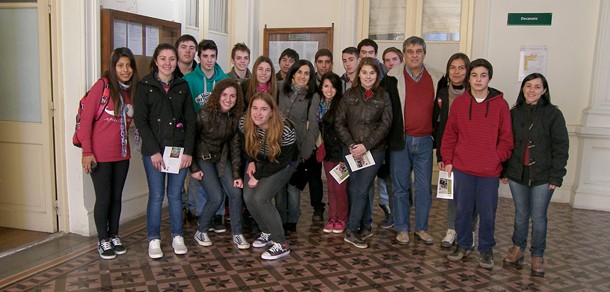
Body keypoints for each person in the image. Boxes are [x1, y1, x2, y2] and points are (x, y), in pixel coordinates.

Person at [441, 58, 513, 269]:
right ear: (469, 78)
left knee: (487, 212)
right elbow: (449, 135)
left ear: (489, 78)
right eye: (474, 75)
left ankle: (486, 249)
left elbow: (507, 139)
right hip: (463, 168)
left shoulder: (500, 105)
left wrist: (495, 157)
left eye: (483, 75)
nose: (478, 79)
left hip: (489, 171)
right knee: (462, 210)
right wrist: (448, 159)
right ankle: (463, 245)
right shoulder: (460, 104)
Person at [501, 73, 569, 277]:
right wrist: (503, 170)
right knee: (521, 214)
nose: (532, 90)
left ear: (544, 91)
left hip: (543, 175)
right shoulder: (513, 113)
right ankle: (517, 249)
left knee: (539, 217)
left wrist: (556, 176)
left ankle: (537, 255)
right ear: (522, 89)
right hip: (516, 173)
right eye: (528, 86)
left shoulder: (553, 114)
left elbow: (561, 146)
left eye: (537, 87)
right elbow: (505, 142)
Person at [134, 43, 196, 259]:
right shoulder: (145, 85)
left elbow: (191, 121)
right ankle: (154, 239)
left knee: (175, 195)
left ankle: (177, 235)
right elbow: (141, 121)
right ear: (156, 60)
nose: (167, 63)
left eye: (171, 59)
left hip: (177, 151)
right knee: (157, 195)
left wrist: (188, 151)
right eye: (163, 58)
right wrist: (153, 151)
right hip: (155, 152)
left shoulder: (182, 86)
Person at [382, 36, 443, 246]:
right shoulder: (392, 77)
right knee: (400, 187)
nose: (414, 55)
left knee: (424, 187)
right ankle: (401, 228)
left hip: (426, 140)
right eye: (410, 51)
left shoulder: (438, 77)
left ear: (424, 54)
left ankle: (422, 228)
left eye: (418, 51)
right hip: (401, 141)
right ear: (404, 55)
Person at [81, 47, 138, 260]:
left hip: (122, 154)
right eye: (120, 65)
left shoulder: (131, 90)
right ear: (113, 68)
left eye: (128, 65)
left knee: (116, 197)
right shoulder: (101, 87)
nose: (125, 70)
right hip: (100, 156)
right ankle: (102, 239)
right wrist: (87, 152)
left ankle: (114, 235)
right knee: (103, 198)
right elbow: (86, 121)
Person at [336, 57, 392, 249]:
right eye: (365, 72)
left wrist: (365, 145)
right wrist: (352, 144)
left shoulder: (383, 96)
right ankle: (365, 226)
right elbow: (339, 122)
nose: (368, 76)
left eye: (372, 73)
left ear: (377, 75)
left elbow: (386, 125)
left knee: (362, 188)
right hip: (351, 149)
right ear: (359, 73)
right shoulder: (349, 95)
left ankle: (351, 230)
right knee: (354, 188)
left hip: (374, 151)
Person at [190, 78, 249, 249]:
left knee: (236, 192)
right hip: (203, 158)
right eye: (225, 95)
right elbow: (190, 142)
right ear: (218, 95)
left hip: (222, 159)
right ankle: (201, 231)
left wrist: (237, 175)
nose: (228, 99)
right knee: (216, 197)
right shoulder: (203, 113)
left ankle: (237, 234)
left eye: (233, 96)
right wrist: (194, 168)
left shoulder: (235, 117)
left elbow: (235, 148)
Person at [240, 92, 298, 260]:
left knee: (260, 198)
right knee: (248, 197)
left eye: (264, 109)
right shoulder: (245, 123)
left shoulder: (286, 128)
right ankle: (267, 231)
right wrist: (250, 161)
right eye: (255, 108)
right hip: (259, 160)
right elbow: (246, 146)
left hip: (283, 163)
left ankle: (281, 244)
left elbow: (283, 160)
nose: (258, 113)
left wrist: (257, 175)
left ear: (272, 112)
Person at [183, 39, 229, 233]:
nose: (209, 60)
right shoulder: (189, 80)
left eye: (212, 56)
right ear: (199, 57)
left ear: (216, 57)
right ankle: (202, 214)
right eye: (205, 56)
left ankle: (218, 215)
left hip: (220, 136)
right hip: (198, 135)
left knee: (218, 177)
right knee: (199, 178)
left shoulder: (225, 79)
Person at [435, 53, 478, 249]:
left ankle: (469, 230)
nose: (457, 71)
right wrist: (441, 155)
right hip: (450, 151)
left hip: (472, 153)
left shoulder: (477, 93)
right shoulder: (442, 93)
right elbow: (439, 126)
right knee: (451, 193)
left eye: (461, 67)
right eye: (453, 67)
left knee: (472, 194)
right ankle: (452, 229)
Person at [277, 60, 322, 230]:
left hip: (298, 147)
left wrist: (306, 151)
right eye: (299, 72)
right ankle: (280, 219)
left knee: (293, 187)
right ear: (293, 73)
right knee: (279, 186)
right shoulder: (280, 88)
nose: (302, 76)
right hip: (278, 146)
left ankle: (292, 221)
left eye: (307, 73)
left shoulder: (313, 96)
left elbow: (313, 127)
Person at [318, 72, 348, 234]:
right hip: (328, 153)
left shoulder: (342, 104)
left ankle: (342, 219)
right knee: (330, 187)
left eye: (333, 86)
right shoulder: (320, 105)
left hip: (341, 154)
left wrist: (345, 155)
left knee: (340, 188)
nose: (329, 90)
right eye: (326, 86)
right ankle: (332, 218)